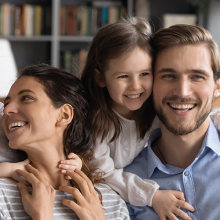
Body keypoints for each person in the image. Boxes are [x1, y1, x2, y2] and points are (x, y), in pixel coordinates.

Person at [68, 16, 194, 220]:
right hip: (105, 191)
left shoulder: (154, 108)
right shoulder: (96, 121)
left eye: (144, 74)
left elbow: (187, 117)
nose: (136, 86)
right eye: (123, 76)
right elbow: (104, 175)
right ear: (101, 78)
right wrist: (152, 196)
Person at [0, 64, 130, 220]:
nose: (7, 110)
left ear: (64, 115)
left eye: (26, 98)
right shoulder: (3, 195)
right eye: (7, 103)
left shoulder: (110, 202)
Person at [124, 24, 220, 220]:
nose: (182, 92)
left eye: (197, 76)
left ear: (217, 87)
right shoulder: (126, 181)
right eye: (168, 76)